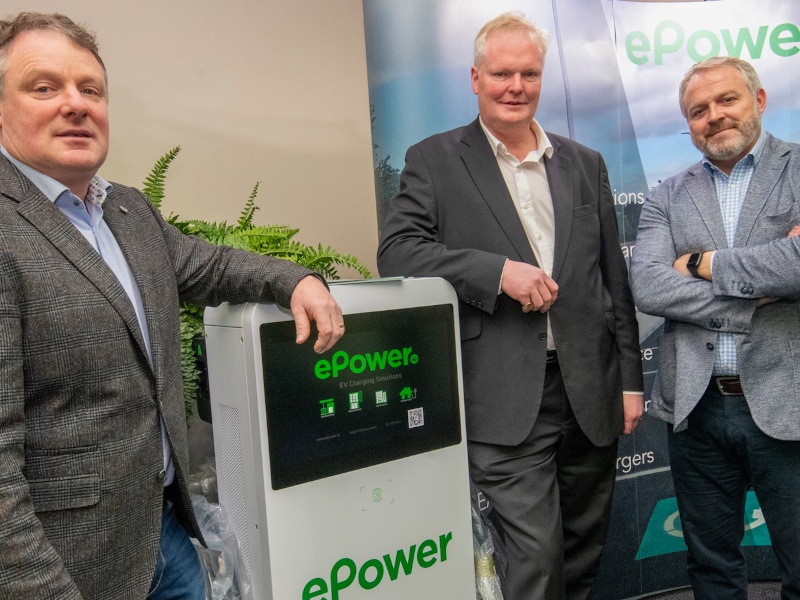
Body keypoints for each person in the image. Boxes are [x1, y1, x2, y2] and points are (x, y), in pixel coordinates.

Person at [0, 12, 344, 600]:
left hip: (164, 537)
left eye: (91, 89)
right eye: (44, 87)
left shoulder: (128, 211)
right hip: (70, 566)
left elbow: (211, 266)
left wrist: (297, 280)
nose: (76, 104)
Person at [377, 12, 643, 600]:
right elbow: (397, 253)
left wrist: (629, 380)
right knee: (533, 561)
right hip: (503, 392)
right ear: (475, 78)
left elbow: (612, 280)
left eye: (528, 73)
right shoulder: (434, 159)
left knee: (581, 549)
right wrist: (496, 273)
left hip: (589, 391)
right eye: (501, 73)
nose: (515, 86)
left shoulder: (585, 162)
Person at [630, 56, 800, 599]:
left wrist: (701, 263)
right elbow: (650, 287)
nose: (714, 116)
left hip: (789, 402)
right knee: (712, 572)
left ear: (759, 100)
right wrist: (757, 295)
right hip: (698, 410)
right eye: (698, 110)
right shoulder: (665, 196)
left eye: (727, 100)